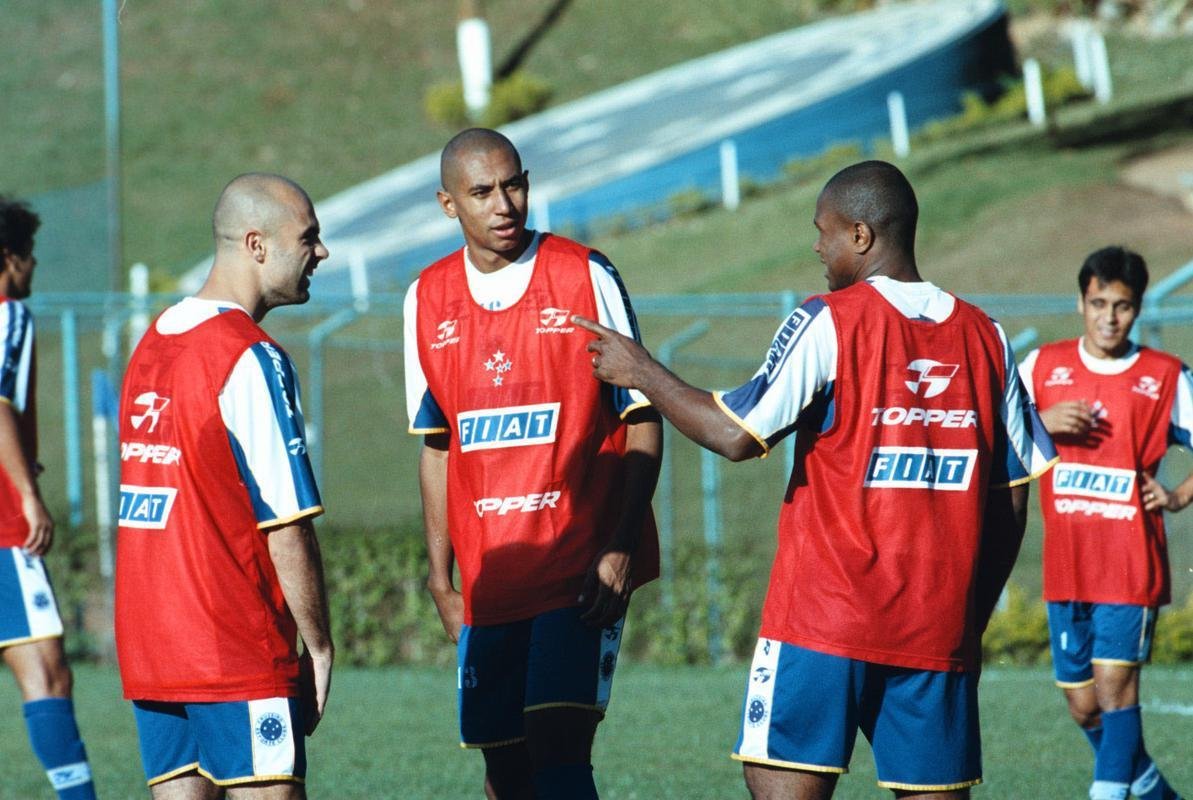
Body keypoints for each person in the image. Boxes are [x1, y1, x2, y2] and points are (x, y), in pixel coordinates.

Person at [573, 160, 1057, 800]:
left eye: (822, 231)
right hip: (936, 632)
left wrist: (643, 372)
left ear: (861, 235)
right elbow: (1012, 498)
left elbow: (735, 434)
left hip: (822, 626)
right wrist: (971, 616)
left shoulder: (831, 318)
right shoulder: (986, 336)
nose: (815, 247)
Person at [403, 128, 662, 800]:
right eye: (482, 192)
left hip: (577, 569)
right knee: (504, 769)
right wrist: (439, 578)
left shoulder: (583, 273)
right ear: (447, 204)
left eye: (513, 184)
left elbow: (642, 415)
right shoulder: (425, 300)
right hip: (489, 576)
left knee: (558, 746)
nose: (504, 204)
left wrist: (619, 544)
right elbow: (438, 444)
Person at [115, 174, 334, 799]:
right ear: (256, 244)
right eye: (309, 238)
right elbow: (286, 523)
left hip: (152, 647)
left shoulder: (152, 341)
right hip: (232, 647)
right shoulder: (248, 356)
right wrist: (317, 644)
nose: (321, 253)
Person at [1019, 246, 1188, 800]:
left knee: (1117, 692)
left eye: (1122, 306)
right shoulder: (1043, 366)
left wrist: (1179, 495)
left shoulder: (1164, 376)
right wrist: (1040, 421)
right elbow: (988, 433)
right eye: (1098, 303)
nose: (1109, 317)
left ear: (1137, 309)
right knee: (1084, 704)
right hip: (1067, 567)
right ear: (1080, 302)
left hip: (1128, 564)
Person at [0, 197, 97, 799]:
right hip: (5, 527)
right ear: (8, 259)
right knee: (48, 675)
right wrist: (30, 496)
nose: (34, 266)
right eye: (29, 254)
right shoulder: (8, 315)